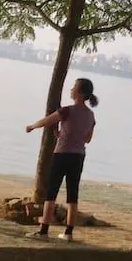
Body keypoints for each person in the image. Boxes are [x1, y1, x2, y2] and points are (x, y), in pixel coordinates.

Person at [25, 78, 98, 242]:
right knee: (73, 195)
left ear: (80, 93)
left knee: (51, 193)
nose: (71, 90)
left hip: (62, 154)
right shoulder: (91, 115)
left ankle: (43, 231)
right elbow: (87, 139)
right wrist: (64, 135)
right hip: (78, 157)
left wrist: (32, 126)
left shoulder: (67, 110)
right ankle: (68, 233)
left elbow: (47, 120)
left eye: (74, 87)